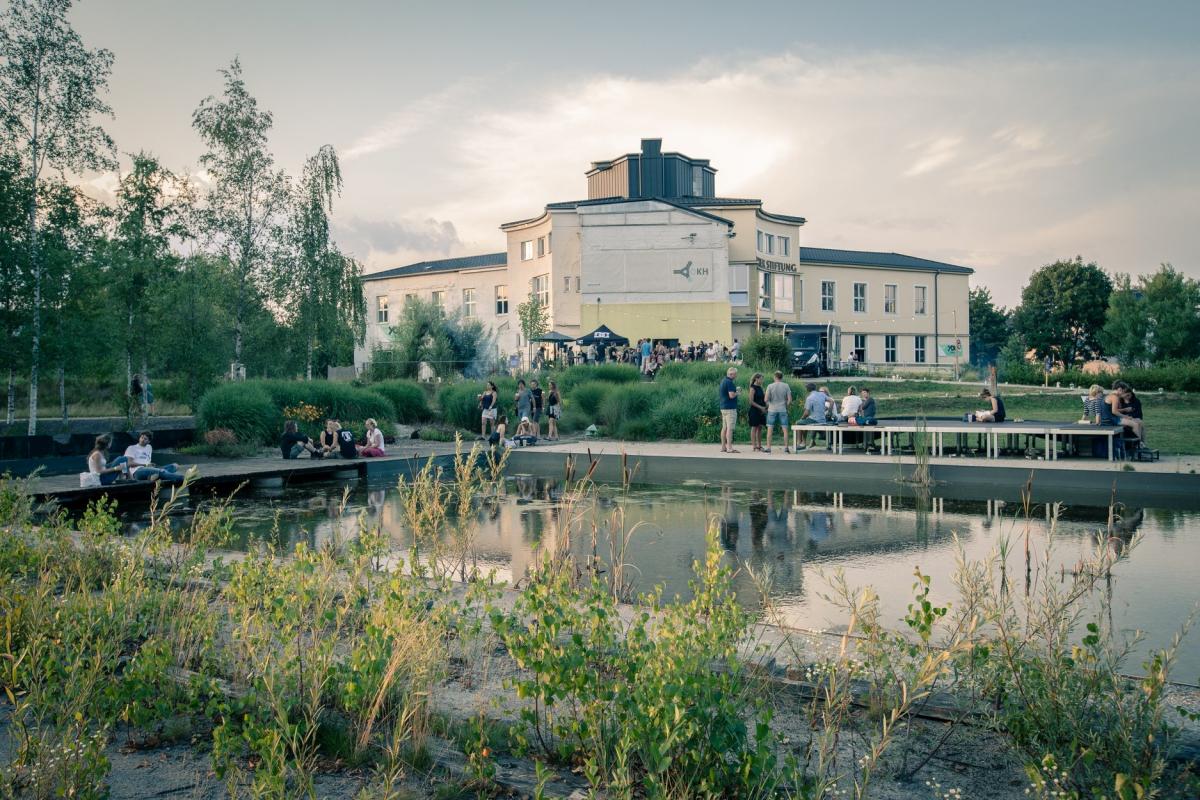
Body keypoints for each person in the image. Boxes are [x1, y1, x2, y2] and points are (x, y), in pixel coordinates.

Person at [763, 371, 792, 454]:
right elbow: (789, 400)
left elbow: (766, 399)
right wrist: (786, 406)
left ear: (774, 377)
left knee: (770, 429)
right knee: (785, 429)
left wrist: (769, 404)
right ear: (782, 377)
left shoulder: (770, 386)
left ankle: (768, 448)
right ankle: (786, 448)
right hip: (782, 409)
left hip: (772, 409)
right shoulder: (786, 386)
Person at [797, 383, 828, 449]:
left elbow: (806, 413)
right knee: (805, 422)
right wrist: (830, 411)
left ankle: (800, 443)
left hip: (815, 420)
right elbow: (831, 401)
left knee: (798, 423)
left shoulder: (809, 398)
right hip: (823, 419)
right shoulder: (822, 394)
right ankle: (803, 443)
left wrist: (802, 418)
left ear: (808, 389)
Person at [718, 366, 739, 454]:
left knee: (724, 428)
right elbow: (731, 395)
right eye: (735, 374)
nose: (736, 376)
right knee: (730, 428)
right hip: (730, 408)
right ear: (732, 374)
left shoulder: (723, 381)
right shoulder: (730, 382)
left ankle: (723, 447)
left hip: (723, 407)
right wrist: (738, 392)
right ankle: (730, 448)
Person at [748, 373, 767, 452]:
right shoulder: (753, 388)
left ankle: (759, 445)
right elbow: (751, 401)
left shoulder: (760, 387)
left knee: (760, 427)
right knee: (754, 427)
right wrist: (760, 407)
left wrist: (766, 406)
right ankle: (754, 446)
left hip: (762, 410)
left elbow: (763, 399)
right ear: (756, 379)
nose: (762, 380)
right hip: (754, 410)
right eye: (761, 379)